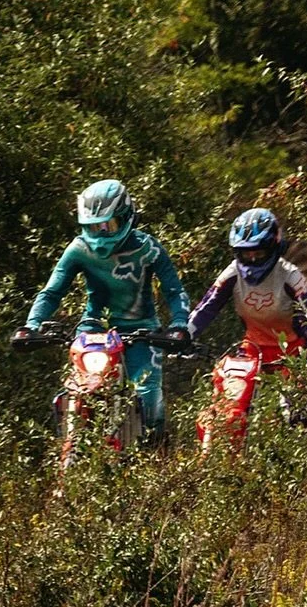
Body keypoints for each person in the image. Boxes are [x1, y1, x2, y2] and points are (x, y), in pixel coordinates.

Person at [12, 179, 190, 438]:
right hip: (94, 329)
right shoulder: (78, 250)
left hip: (142, 330)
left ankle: (155, 457)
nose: (101, 233)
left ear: (127, 217)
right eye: (93, 227)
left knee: (148, 395)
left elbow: (174, 291)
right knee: (77, 391)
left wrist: (179, 325)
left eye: (109, 225)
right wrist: (32, 325)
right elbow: (52, 292)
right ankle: (71, 450)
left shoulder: (148, 249)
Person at [188, 207, 307, 365]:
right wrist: (184, 335)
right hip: (252, 351)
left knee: (295, 389)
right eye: (247, 254)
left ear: (273, 247)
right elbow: (207, 306)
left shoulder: (290, 276)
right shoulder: (232, 273)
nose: (252, 259)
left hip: (294, 354)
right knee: (227, 387)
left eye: (259, 254)